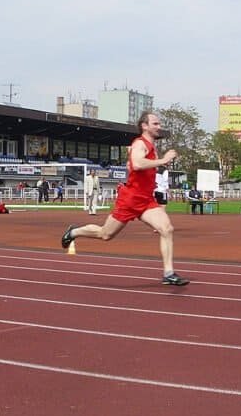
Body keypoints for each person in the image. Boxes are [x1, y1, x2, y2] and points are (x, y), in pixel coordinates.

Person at [60, 111, 189, 286]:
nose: (159, 127)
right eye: (155, 124)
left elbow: (135, 166)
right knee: (105, 234)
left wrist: (158, 162)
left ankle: (168, 273)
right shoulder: (139, 144)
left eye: (159, 124)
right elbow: (137, 163)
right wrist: (162, 161)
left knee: (166, 229)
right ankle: (73, 232)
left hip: (146, 200)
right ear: (144, 126)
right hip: (130, 200)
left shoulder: (151, 146)